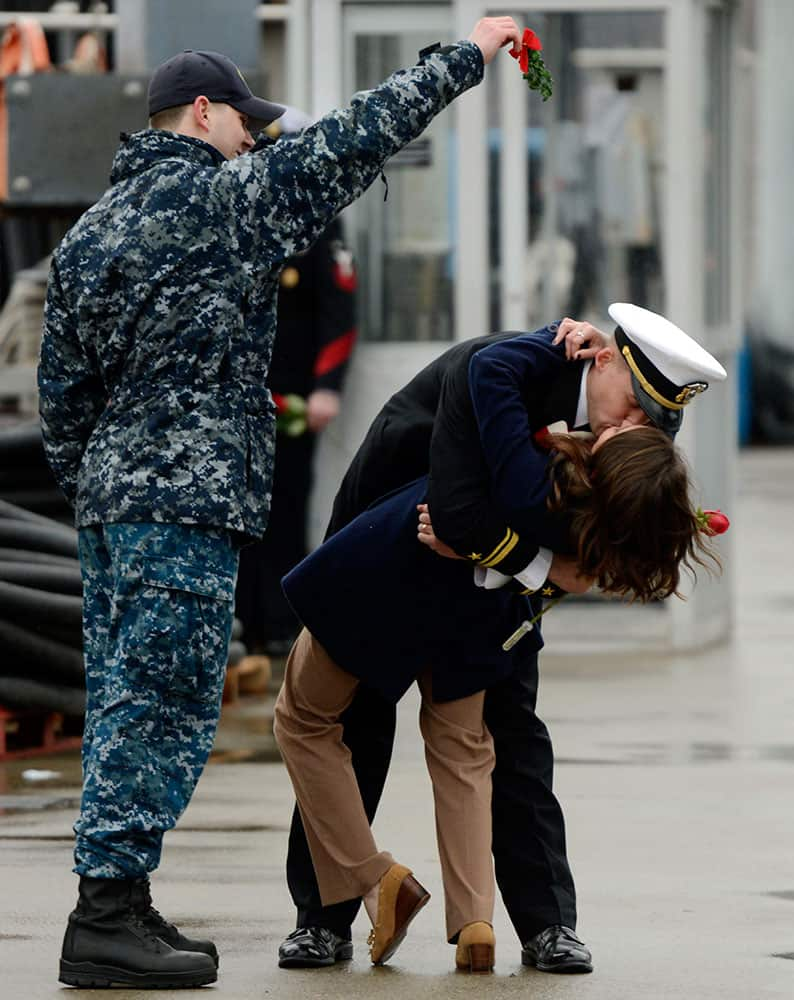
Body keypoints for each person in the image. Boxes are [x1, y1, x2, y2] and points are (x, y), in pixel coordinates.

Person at [38, 18, 528, 989]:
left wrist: (98, 484)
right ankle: (104, 919)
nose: (254, 140)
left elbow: (61, 392)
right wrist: (464, 55)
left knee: (122, 699)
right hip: (179, 505)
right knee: (165, 704)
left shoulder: (90, 230)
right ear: (205, 113)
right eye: (243, 124)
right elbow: (354, 137)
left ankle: (121, 903)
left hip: (109, 506)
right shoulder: (218, 203)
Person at [277, 303, 727, 972]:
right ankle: (323, 918)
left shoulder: (613, 424)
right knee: (358, 720)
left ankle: (545, 925)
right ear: (603, 357)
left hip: (490, 580)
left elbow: (592, 529)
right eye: (633, 404)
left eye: (649, 422)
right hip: (394, 528)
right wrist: (556, 569)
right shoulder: (514, 371)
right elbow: (463, 513)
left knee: (510, 733)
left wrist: (556, 565)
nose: (630, 425)